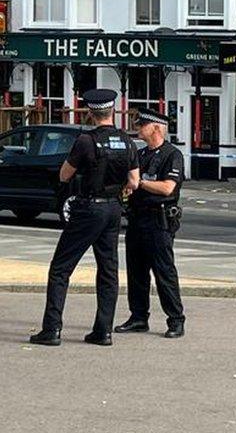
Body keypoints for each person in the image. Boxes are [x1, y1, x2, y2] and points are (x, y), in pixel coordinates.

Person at [29, 89, 139, 347]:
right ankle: (103, 331)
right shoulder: (127, 141)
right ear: (112, 111)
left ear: (90, 113)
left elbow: (64, 175)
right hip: (114, 208)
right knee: (108, 270)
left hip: (89, 207)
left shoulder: (85, 141)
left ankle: (52, 329)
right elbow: (134, 181)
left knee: (60, 268)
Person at [115, 109, 186, 339]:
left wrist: (140, 183)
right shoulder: (141, 154)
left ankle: (175, 320)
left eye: (142, 125)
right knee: (136, 272)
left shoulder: (172, 155)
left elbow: (167, 187)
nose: (139, 128)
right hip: (137, 218)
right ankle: (138, 317)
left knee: (164, 272)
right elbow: (130, 182)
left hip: (159, 220)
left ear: (156, 127)